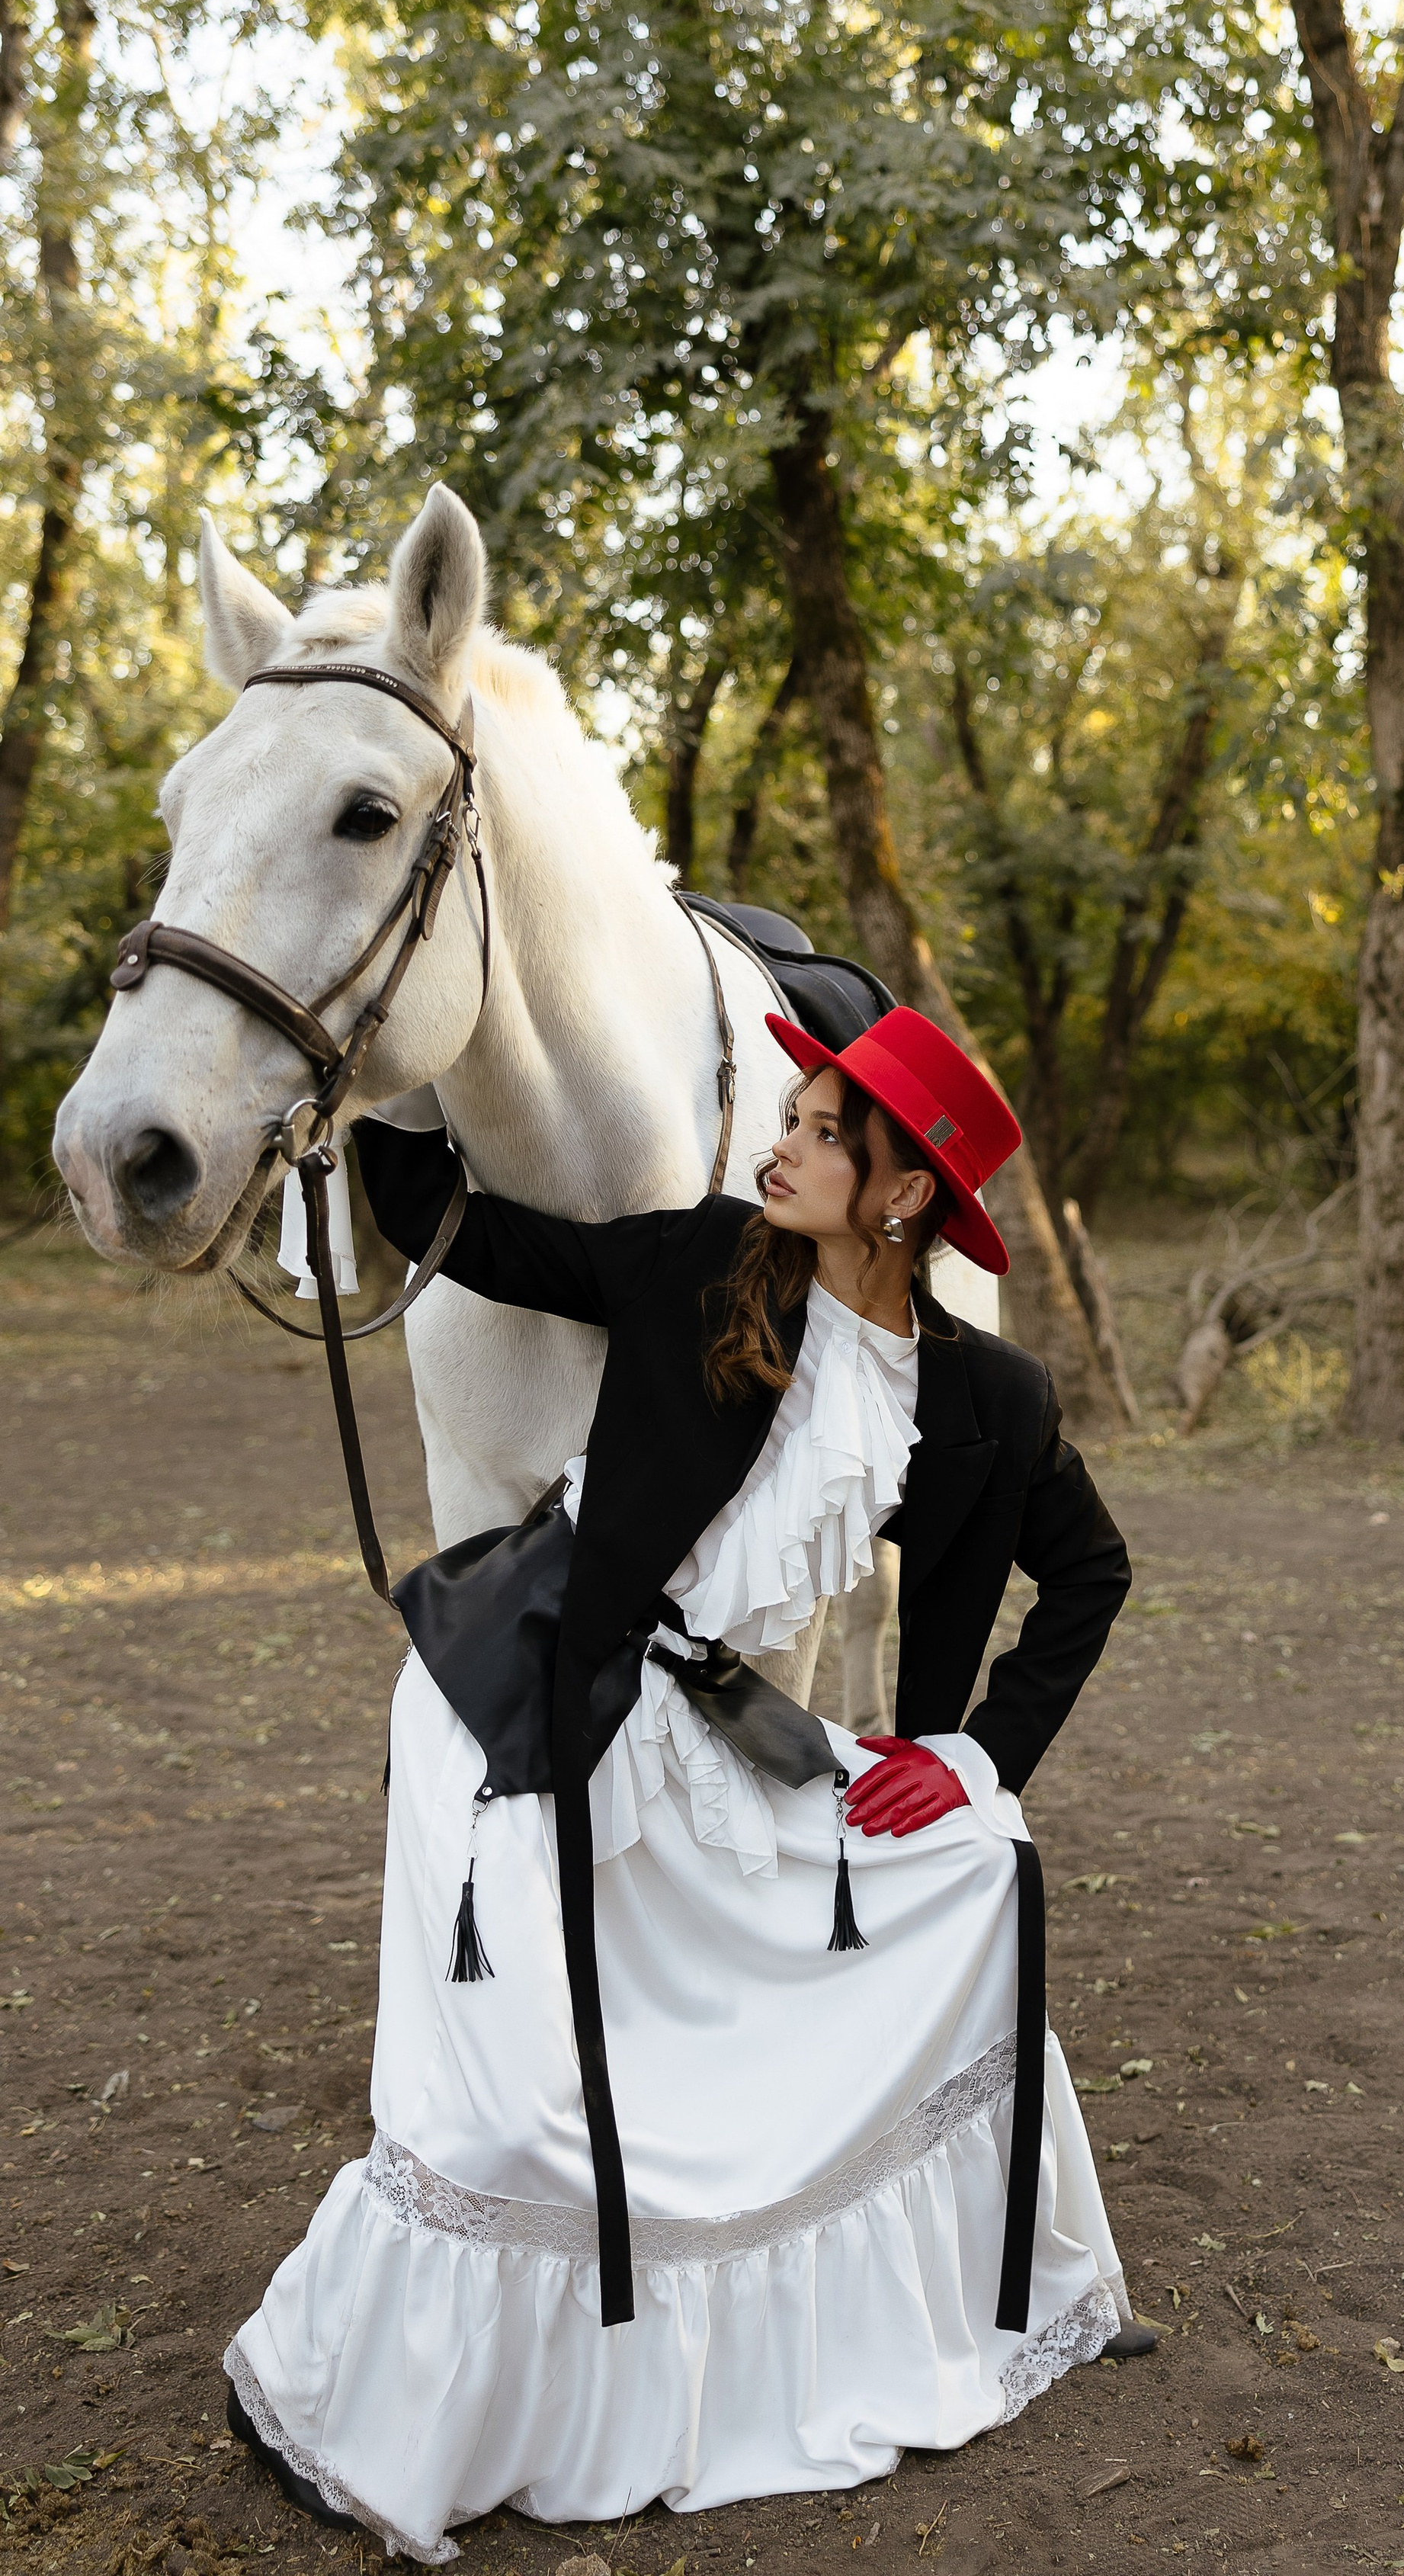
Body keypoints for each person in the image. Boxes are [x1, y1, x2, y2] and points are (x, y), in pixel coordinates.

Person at [223, 1006, 1140, 2563]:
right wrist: (384, 1070)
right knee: (522, 2121)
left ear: (905, 1191)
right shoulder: (705, 1263)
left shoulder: (984, 1401)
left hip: (704, 1734)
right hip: (519, 1703)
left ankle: (948, 2292)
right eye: (783, 1117)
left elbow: (1089, 1573)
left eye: (818, 1130)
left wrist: (971, 1754)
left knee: (973, 1871)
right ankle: (404, 2401)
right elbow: (465, 1236)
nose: (776, 1146)